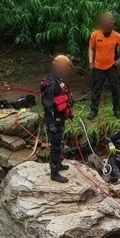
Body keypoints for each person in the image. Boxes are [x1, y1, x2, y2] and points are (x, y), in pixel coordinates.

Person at [41, 55, 74, 183]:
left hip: (60, 118)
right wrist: (52, 123)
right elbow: (48, 105)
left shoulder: (58, 79)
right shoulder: (51, 83)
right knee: (55, 146)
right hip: (53, 120)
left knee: (59, 143)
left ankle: (58, 164)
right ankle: (54, 172)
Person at [88, 12, 120, 120]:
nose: (106, 26)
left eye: (108, 24)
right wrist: (91, 61)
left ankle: (117, 110)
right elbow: (91, 47)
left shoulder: (117, 36)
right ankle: (93, 111)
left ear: (111, 24)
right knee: (96, 90)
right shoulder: (95, 34)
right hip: (98, 67)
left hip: (111, 67)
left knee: (115, 89)